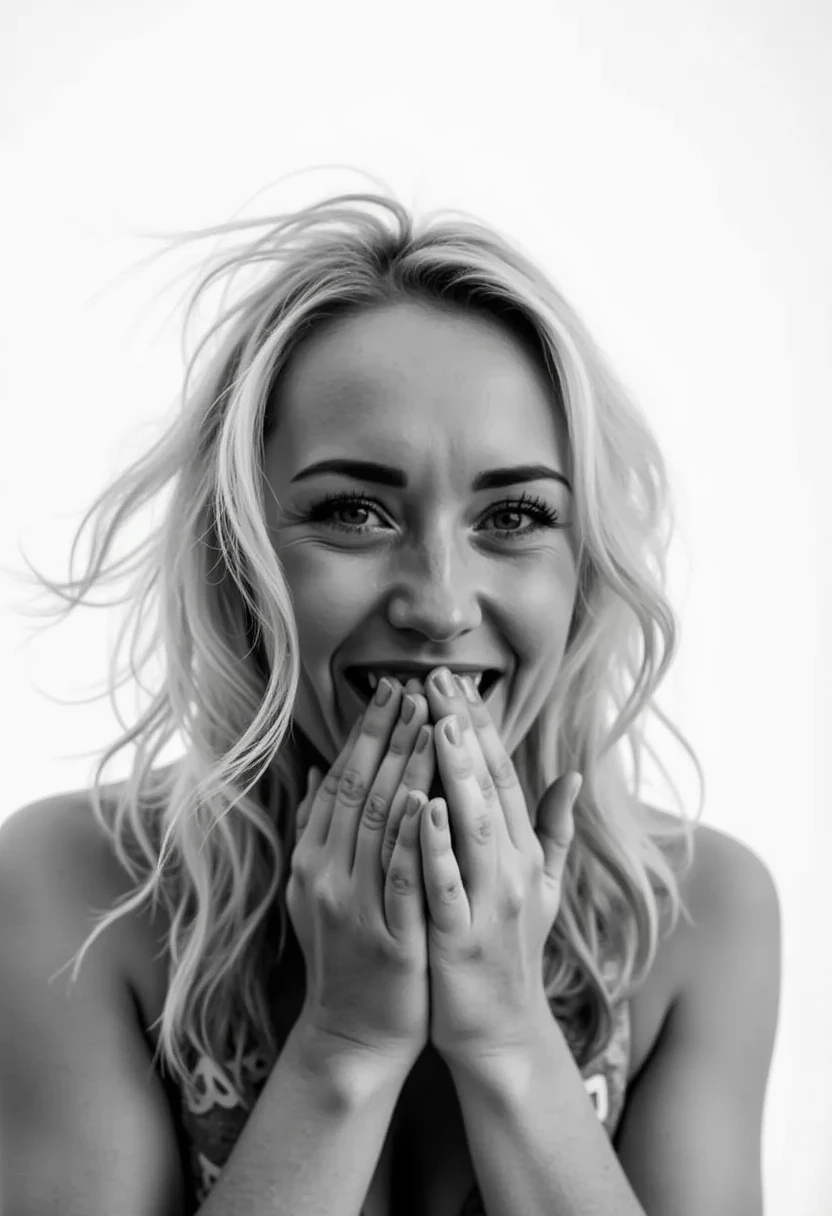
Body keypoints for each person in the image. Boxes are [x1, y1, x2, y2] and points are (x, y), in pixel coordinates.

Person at [0, 179, 781, 1216]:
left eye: (512, 515)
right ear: (240, 556)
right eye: (355, 510)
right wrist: (342, 1048)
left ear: (583, 563)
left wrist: (506, 1031)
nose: (439, 604)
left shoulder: (697, 912)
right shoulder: (77, 887)